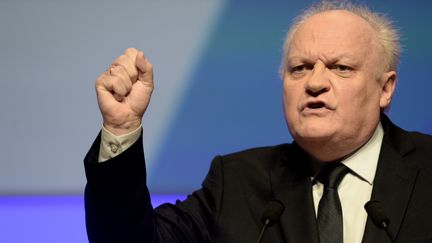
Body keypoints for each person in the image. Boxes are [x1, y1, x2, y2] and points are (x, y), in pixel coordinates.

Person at [84, 1, 432, 243]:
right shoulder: (235, 182)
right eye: (300, 68)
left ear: (385, 88)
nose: (315, 83)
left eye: (341, 67)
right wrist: (122, 126)